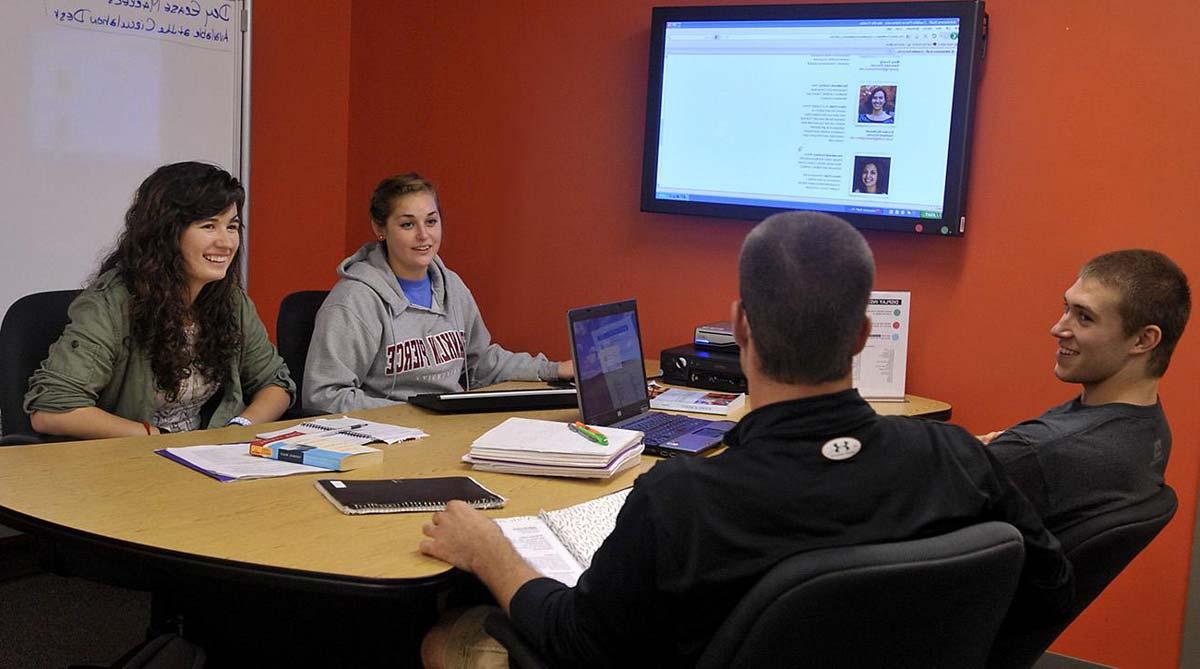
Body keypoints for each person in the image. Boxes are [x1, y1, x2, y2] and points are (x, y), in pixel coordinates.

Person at [418, 211, 1072, 668]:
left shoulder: (682, 501)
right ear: (864, 335)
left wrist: (491, 553)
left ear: (740, 327)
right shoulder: (955, 457)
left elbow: (577, 646)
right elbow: (1048, 586)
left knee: (444, 638)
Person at [25, 162, 294, 439]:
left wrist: (238, 428)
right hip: (127, 460)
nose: (226, 242)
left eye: (232, 226)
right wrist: (155, 436)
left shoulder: (230, 300)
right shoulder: (111, 304)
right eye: (209, 226)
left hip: (210, 457)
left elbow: (276, 383)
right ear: (167, 233)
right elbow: (51, 409)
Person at [303, 173, 571, 413]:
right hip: (388, 439)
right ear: (380, 229)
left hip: (444, 427)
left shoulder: (451, 285)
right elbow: (324, 396)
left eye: (431, 221)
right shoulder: (353, 301)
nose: (424, 235)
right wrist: (417, 413)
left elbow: (480, 364)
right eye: (407, 225)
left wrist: (556, 370)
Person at [981, 250, 1190, 533]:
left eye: (1084, 318)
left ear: (1143, 339)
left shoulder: (1042, 450)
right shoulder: (1151, 430)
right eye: (1067, 308)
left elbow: (905, 499)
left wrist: (1001, 454)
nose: (1058, 328)